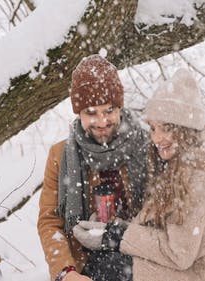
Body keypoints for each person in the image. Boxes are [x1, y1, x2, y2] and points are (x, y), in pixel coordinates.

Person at [73, 69, 205, 280]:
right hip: (199, 263)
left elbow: (179, 252)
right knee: (105, 262)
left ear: (185, 130)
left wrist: (115, 236)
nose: (157, 138)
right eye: (153, 128)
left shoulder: (204, 173)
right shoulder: (179, 164)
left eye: (166, 129)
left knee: (110, 269)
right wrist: (111, 231)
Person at [37, 55, 148, 281]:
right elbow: (50, 222)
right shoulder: (61, 156)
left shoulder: (146, 146)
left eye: (109, 110)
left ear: (120, 108)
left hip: (142, 255)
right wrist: (65, 272)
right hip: (88, 263)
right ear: (78, 113)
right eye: (91, 112)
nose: (101, 121)